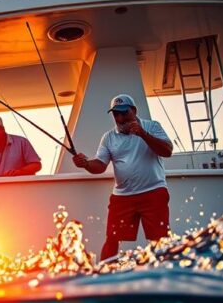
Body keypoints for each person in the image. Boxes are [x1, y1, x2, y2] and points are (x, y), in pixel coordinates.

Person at [71, 93, 174, 261]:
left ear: (134, 110)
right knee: (112, 239)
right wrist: (86, 164)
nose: (120, 117)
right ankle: (103, 276)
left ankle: (167, 274)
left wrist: (143, 134)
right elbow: (100, 166)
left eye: (124, 112)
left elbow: (167, 151)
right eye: (115, 114)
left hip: (153, 192)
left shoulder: (152, 126)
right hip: (122, 198)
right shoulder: (108, 137)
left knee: (160, 240)